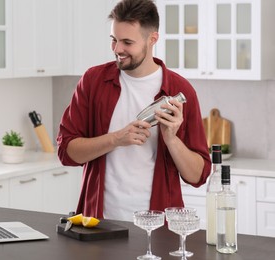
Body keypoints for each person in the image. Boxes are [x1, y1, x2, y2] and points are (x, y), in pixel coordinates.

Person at [57, 0, 211, 221]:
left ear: (152, 39)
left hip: (158, 225)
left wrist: (172, 140)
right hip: (98, 223)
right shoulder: (93, 81)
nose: (118, 49)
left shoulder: (180, 91)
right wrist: (116, 139)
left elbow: (198, 176)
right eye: (114, 40)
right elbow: (67, 153)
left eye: (127, 42)